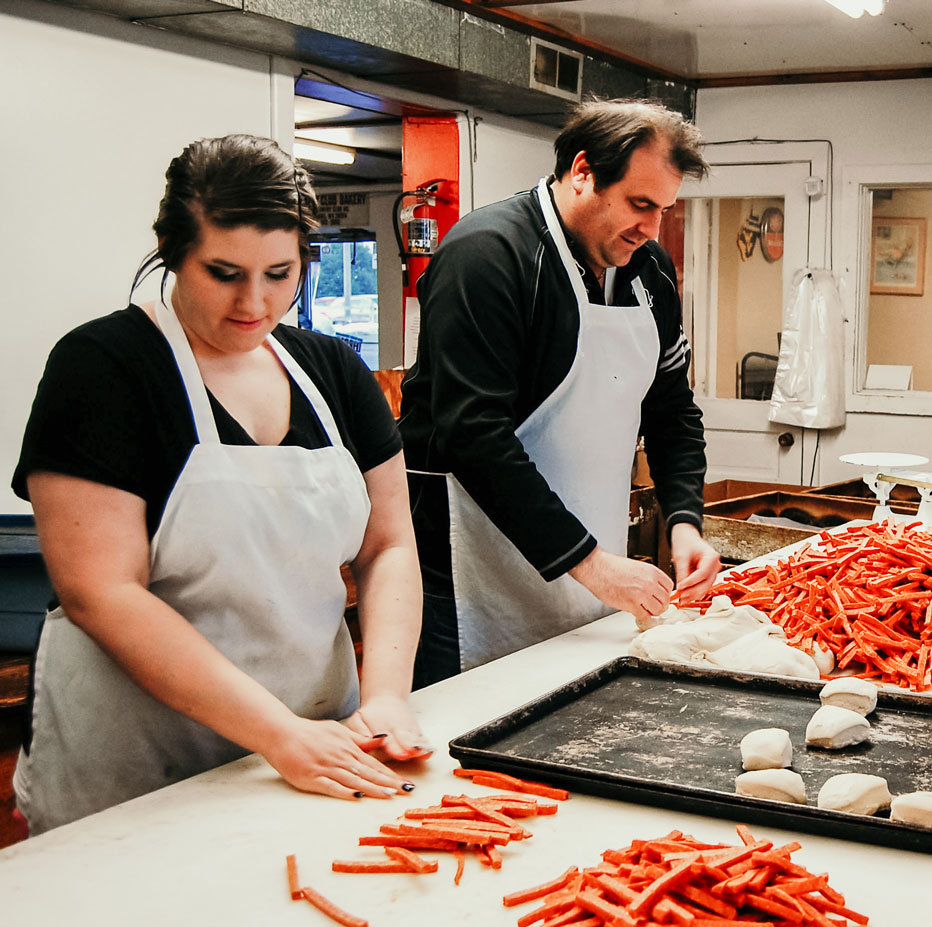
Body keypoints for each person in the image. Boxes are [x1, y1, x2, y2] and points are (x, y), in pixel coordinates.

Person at [11, 135, 429, 836]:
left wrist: (386, 695)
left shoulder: (333, 373)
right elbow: (102, 592)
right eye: (224, 272)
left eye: (280, 272)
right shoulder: (104, 368)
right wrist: (278, 734)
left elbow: (387, 546)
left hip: (319, 746)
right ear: (173, 252)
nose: (255, 301)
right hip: (138, 768)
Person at [400, 99, 721, 687]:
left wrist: (684, 521)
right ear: (582, 171)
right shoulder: (488, 255)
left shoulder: (649, 271)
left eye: (664, 209)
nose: (651, 230)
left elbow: (672, 408)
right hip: (469, 571)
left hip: (589, 571)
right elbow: (473, 435)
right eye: (639, 204)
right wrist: (591, 564)